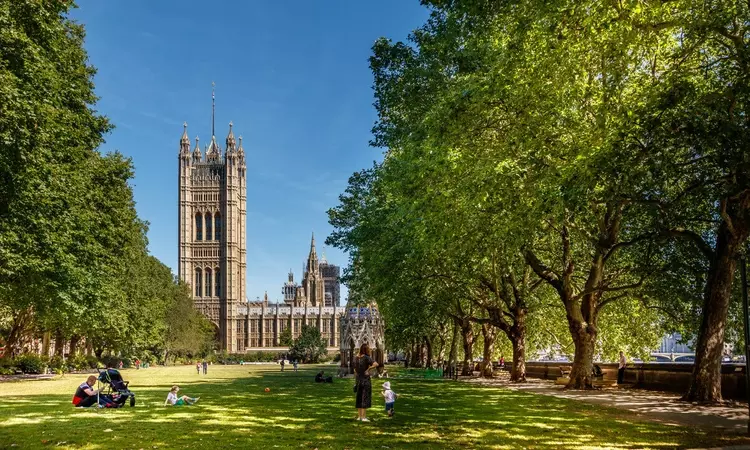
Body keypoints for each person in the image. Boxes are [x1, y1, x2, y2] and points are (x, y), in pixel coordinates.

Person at [354, 342, 378, 422]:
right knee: (364, 398)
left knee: (359, 398)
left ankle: (359, 417)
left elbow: (355, 369)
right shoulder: (367, 357)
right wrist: (368, 369)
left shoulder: (356, 357)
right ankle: (364, 417)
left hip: (358, 380)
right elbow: (376, 364)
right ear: (367, 350)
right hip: (365, 380)